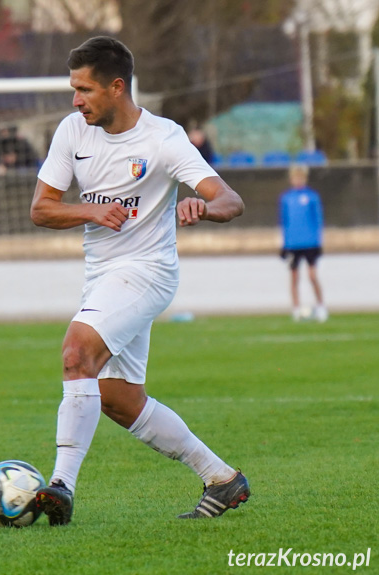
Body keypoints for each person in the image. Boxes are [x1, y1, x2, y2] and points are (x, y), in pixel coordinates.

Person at [29, 37, 248, 523]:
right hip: (102, 276)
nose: (75, 100)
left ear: (117, 87)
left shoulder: (164, 139)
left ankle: (60, 486)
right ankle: (222, 478)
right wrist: (90, 209)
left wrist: (203, 207)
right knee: (118, 400)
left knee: (75, 351)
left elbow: (231, 199)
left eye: (84, 90)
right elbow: (41, 209)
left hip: (149, 271)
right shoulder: (72, 131)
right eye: (73, 89)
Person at [279, 163, 326, 322]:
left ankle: (321, 306)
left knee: (312, 276)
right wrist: (285, 244)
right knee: (294, 277)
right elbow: (284, 222)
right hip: (293, 244)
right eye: (295, 177)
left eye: (300, 177)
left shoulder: (312, 196)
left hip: (310, 243)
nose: (298, 180)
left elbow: (318, 220)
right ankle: (296, 309)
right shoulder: (286, 198)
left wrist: (319, 242)